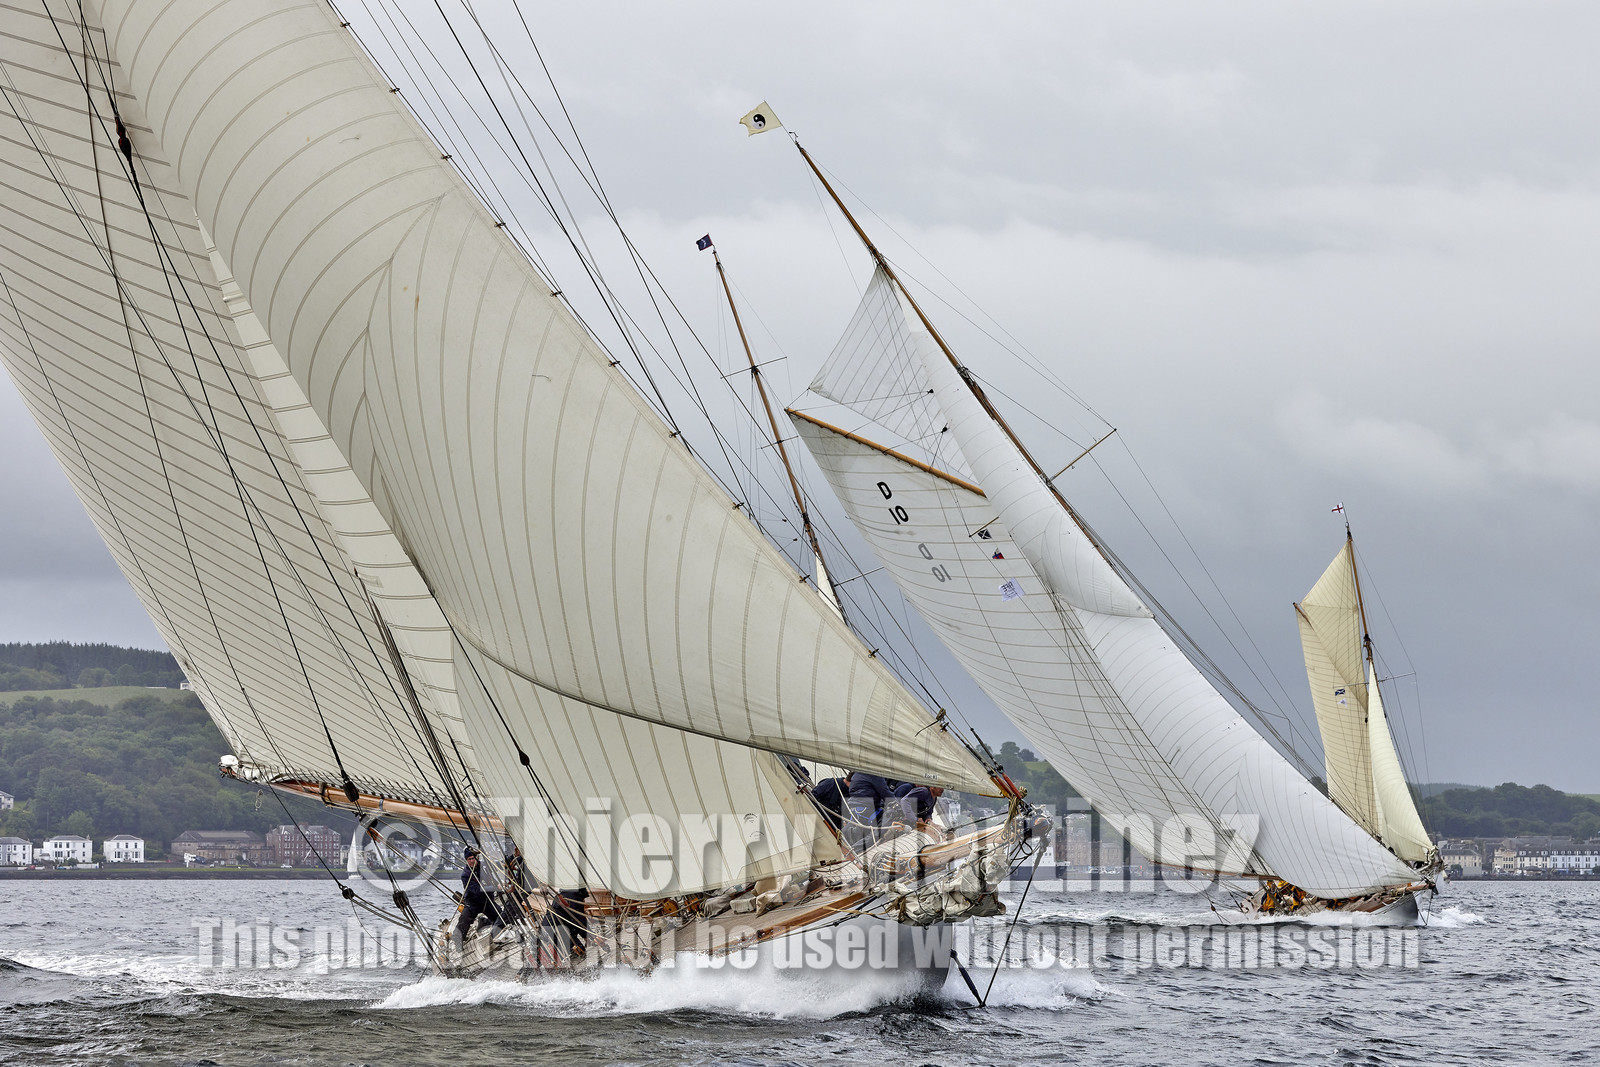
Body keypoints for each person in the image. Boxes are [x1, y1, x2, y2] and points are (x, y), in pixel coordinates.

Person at [451, 846, 497, 951]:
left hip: (487, 902)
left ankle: (484, 922)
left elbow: (495, 869)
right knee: (464, 919)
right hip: (473, 903)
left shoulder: (484, 867)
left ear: (476, 858)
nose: (471, 861)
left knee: (500, 916)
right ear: (466, 860)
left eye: (473, 858)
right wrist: (494, 887)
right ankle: (458, 940)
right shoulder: (465, 875)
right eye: (469, 859)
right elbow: (477, 890)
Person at [845, 772, 894, 854]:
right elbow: (885, 793)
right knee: (878, 831)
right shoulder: (874, 774)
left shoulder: (857, 774)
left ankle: (847, 849)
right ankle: (853, 851)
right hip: (867, 808)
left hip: (855, 808)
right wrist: (898, 806)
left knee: (857, 832)